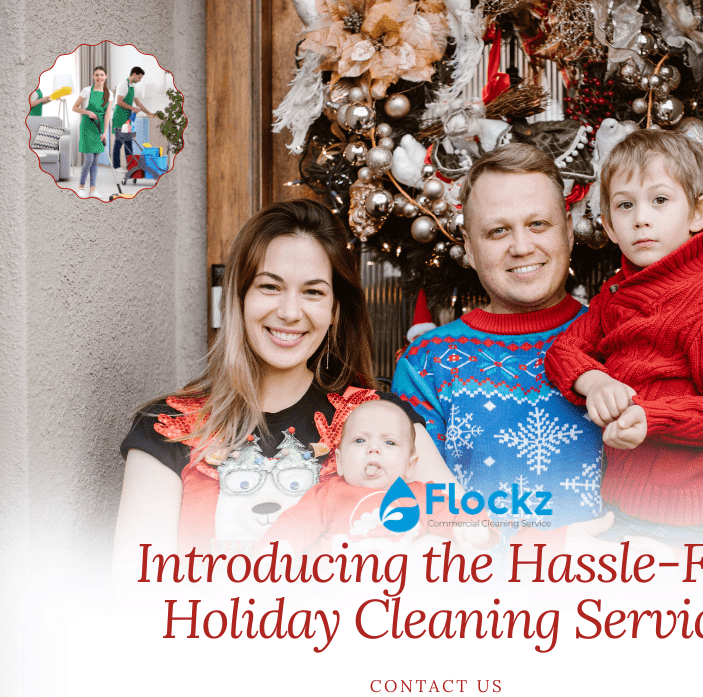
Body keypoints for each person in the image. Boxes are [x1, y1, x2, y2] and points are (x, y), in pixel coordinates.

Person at [114, 199, 457, 569]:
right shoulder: (167, 428)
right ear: (239, 298)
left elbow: (464, 553)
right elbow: (139, 596)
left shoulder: (381, 421)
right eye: (270, 287)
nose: (290, 312)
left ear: (334, 311)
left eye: (313, 292)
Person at [544, 130, 703, 554]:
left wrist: (653, 415)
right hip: (623, 499)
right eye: (626, 205)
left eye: (660, 200)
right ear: (608, 226)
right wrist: (595, 382)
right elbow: (563, 351)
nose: (641, 217)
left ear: (697, 213)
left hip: (691, 512)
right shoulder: (615, 295)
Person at [391, 144, 604, 546]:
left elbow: (701, 473)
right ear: (469, 249)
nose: (522, 246)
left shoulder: (618, 340)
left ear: (570, 232)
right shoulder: (426, 365)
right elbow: (410, 513)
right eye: (498, 231)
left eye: (539, 224)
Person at [252, 399, 494, 554]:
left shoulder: (419, 494)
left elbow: (463, 509)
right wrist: (276, 550)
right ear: (340, 461)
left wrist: (471, 525)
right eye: (360, 440)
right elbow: (295, 524)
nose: (373, 448)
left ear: (410, 466)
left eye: (389, 442)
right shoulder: (327, 494)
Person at [71, 66, 112, 199]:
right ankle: (81, 187)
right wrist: (87, 112)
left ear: (106, 76)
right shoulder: (87, 90)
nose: (99, 77)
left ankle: (92, 190)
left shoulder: (110, 94)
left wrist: (104, 132)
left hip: (99, 128)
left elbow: (107, 115)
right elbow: (74, 107)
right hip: (87, 126)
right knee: (89, 158)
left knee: (95, 160)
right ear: (93, 77)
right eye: (96, 75)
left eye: (102, 75)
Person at [111, 66, 154, 169]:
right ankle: (116, 168)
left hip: (127, 120)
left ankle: (130, 167)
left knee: (128, 144)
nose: (139, 80)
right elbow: (119, 101)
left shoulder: (133, 87)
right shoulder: (123, 85)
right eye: (139, 78)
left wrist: (149, 113)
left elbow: (138, 103)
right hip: (119, 118)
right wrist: (132, 108)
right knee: (118, 143)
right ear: (134, 74)